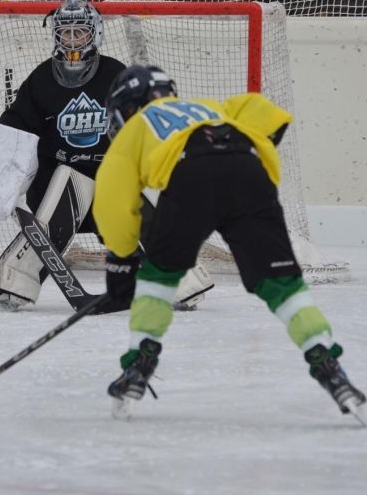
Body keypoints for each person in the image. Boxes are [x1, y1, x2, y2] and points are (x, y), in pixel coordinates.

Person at [94, 64, 366, 423]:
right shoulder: (207, 107)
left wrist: (122, 258)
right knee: (283, 284)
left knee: (158, 277)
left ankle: (138, 365)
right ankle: (327, 361)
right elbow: (263, 111)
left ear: (128, 106)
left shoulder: (136, 127)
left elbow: (112, 201)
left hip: (189, 175)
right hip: (247, 169)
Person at [0, 0, 210, 313]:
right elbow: (18, 126)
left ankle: (182, 280)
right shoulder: (42, 79)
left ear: (95, 34)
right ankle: (15, 283)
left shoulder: (115, 74)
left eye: (79, 32)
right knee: (65, 186)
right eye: (65, 33)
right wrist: (3, 162)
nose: (72, 40)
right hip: (62, 187)